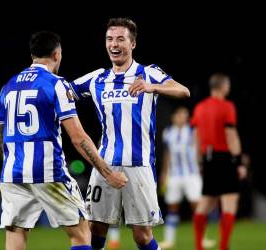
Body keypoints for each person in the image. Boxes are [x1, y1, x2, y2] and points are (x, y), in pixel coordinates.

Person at [0, 31, 127, 250]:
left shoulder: (8, 87)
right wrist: (108, 173)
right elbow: (78, 137)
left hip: (12, 174)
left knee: (15, 234)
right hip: (47, 171)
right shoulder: (55, 84)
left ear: (32, 55)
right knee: (81, 233)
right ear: (57, 54)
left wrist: (5, 170)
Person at [69, 18, 190, 250]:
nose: (114, 44)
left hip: (139, 165)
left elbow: (182, 91)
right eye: (110, 39)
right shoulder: (97, 78)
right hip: (104, 165)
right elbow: (63, 92)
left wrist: (153, 87)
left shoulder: (148, 73)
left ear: (132, 44)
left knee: (142, 236)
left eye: (120, 39)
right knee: (94, 229)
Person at [191, 73, 247, 250]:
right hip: (224, 158)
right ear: (223, 86)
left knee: (205, 203)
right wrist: (238, 162)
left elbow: (196, 138)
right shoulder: (227, 106)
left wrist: (200, 162)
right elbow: (231, 136)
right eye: (227, 85)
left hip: (207, 159)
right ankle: (224, 246)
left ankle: (199, 246)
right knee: (229, 202)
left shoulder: (199, 108)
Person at [158, 107, 215, 249]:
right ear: (174, 117)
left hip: (192, 174)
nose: (183, 117)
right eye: (180, 115)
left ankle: (202, 239)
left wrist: (203, 167)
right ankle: (169, 240)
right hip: (174, 176)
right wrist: (164, 174)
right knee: (172, 208)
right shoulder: (168, 133)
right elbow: (167, 154)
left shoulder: (192, 131)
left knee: (198, 208)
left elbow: (200, 150)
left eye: (185, 115)